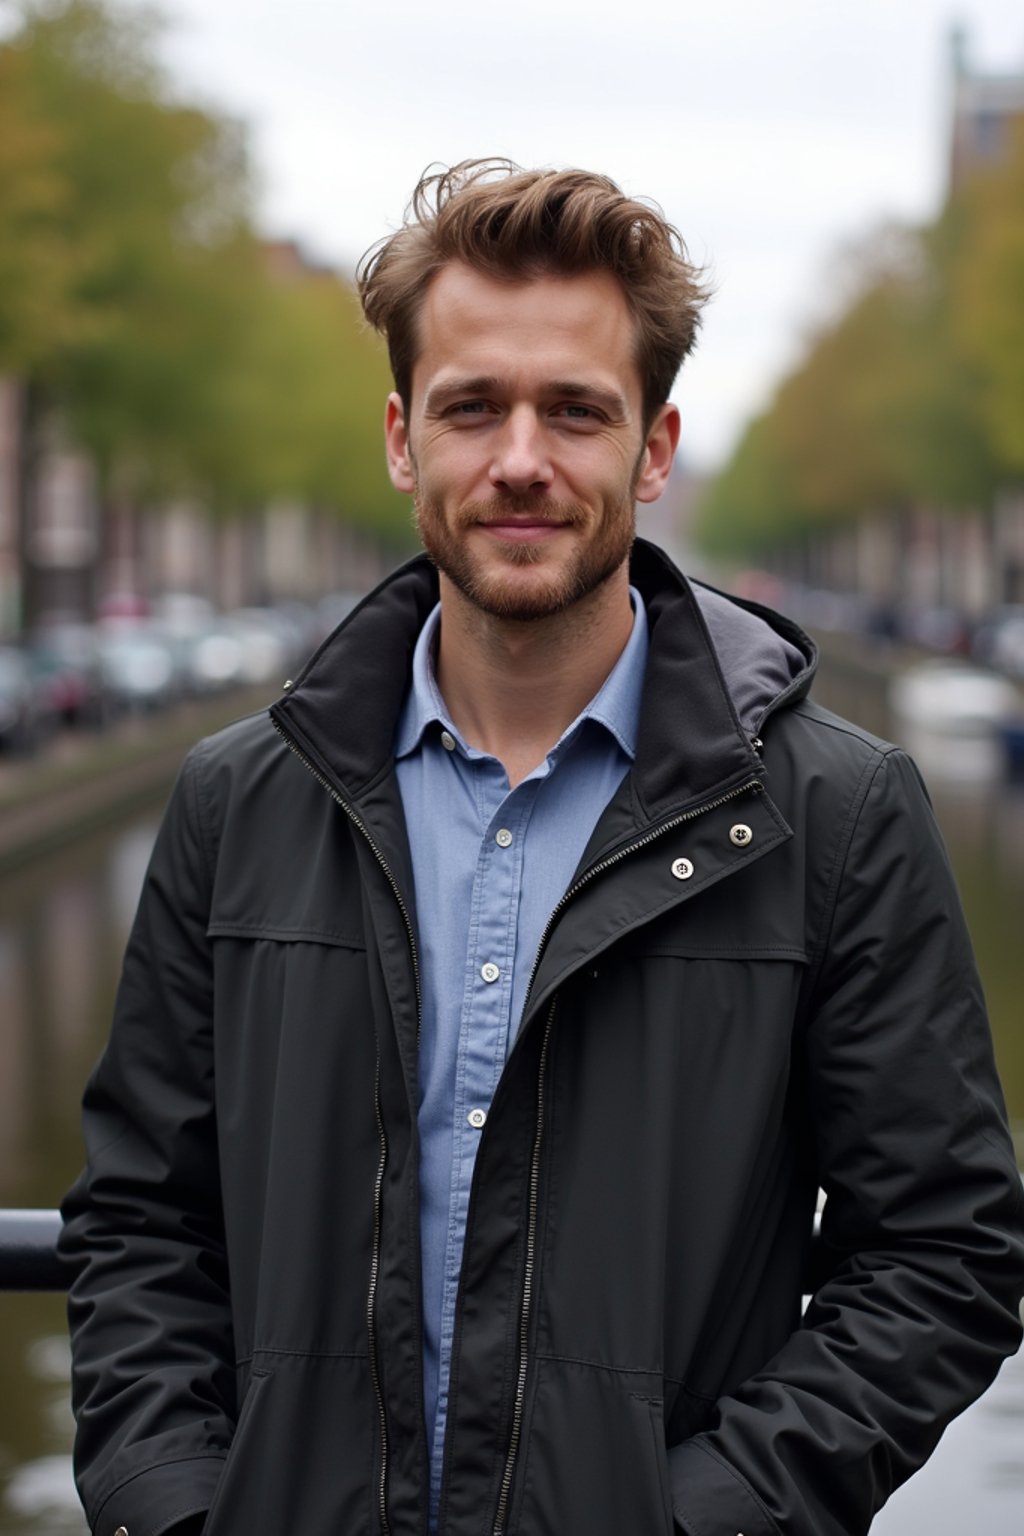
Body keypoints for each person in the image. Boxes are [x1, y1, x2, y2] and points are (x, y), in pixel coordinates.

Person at [60, 159, 1024, 1536]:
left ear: (656, 447)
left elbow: (944, 1257)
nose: (522, 461)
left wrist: (706, 1515)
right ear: (403, 438)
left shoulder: (839, 818)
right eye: (472, 408)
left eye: (576, 411)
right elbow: (142, 1221)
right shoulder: (239, 800)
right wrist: (178, 1507)